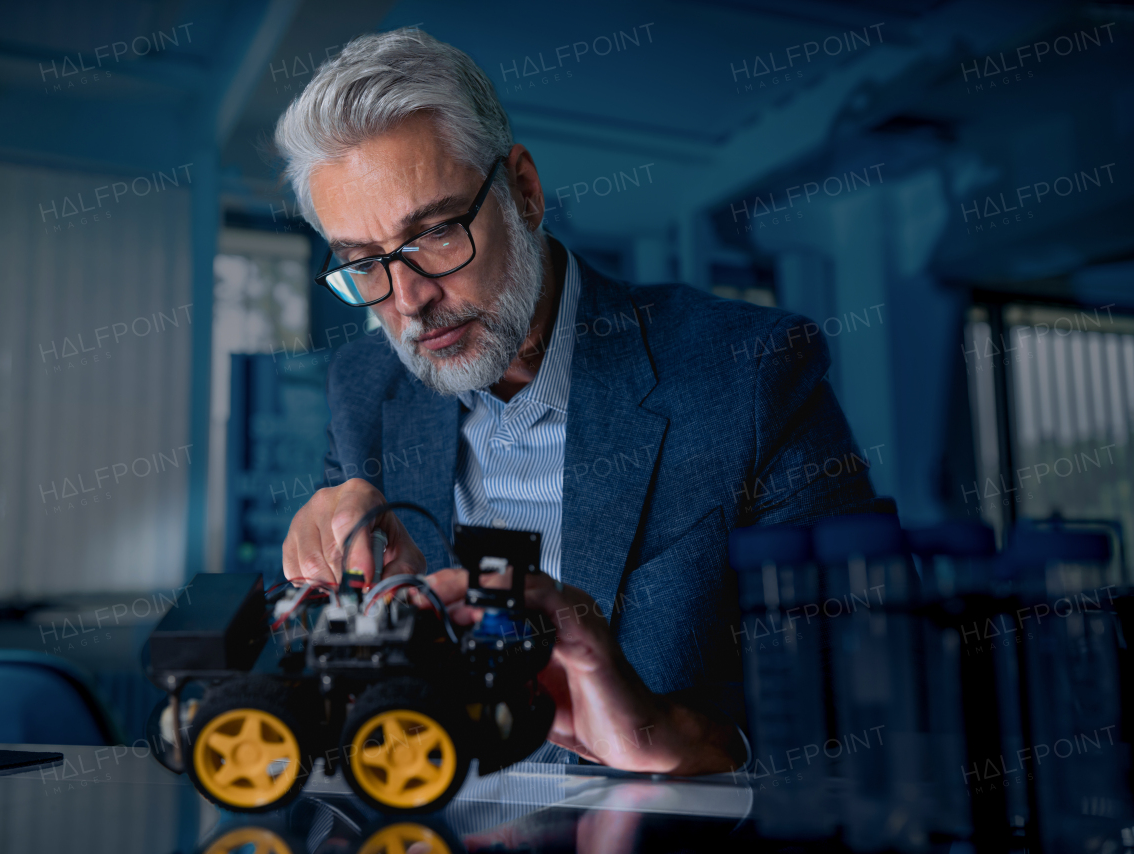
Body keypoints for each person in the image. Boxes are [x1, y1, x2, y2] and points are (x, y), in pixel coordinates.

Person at [274, 27, 875, 775]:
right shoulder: (365, 387)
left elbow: (874, 689)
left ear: (524, 190)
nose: (408, 300)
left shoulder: (751, 373)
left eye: (433, 234)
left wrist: (683, 737)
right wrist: (335, 565)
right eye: (364, 263)